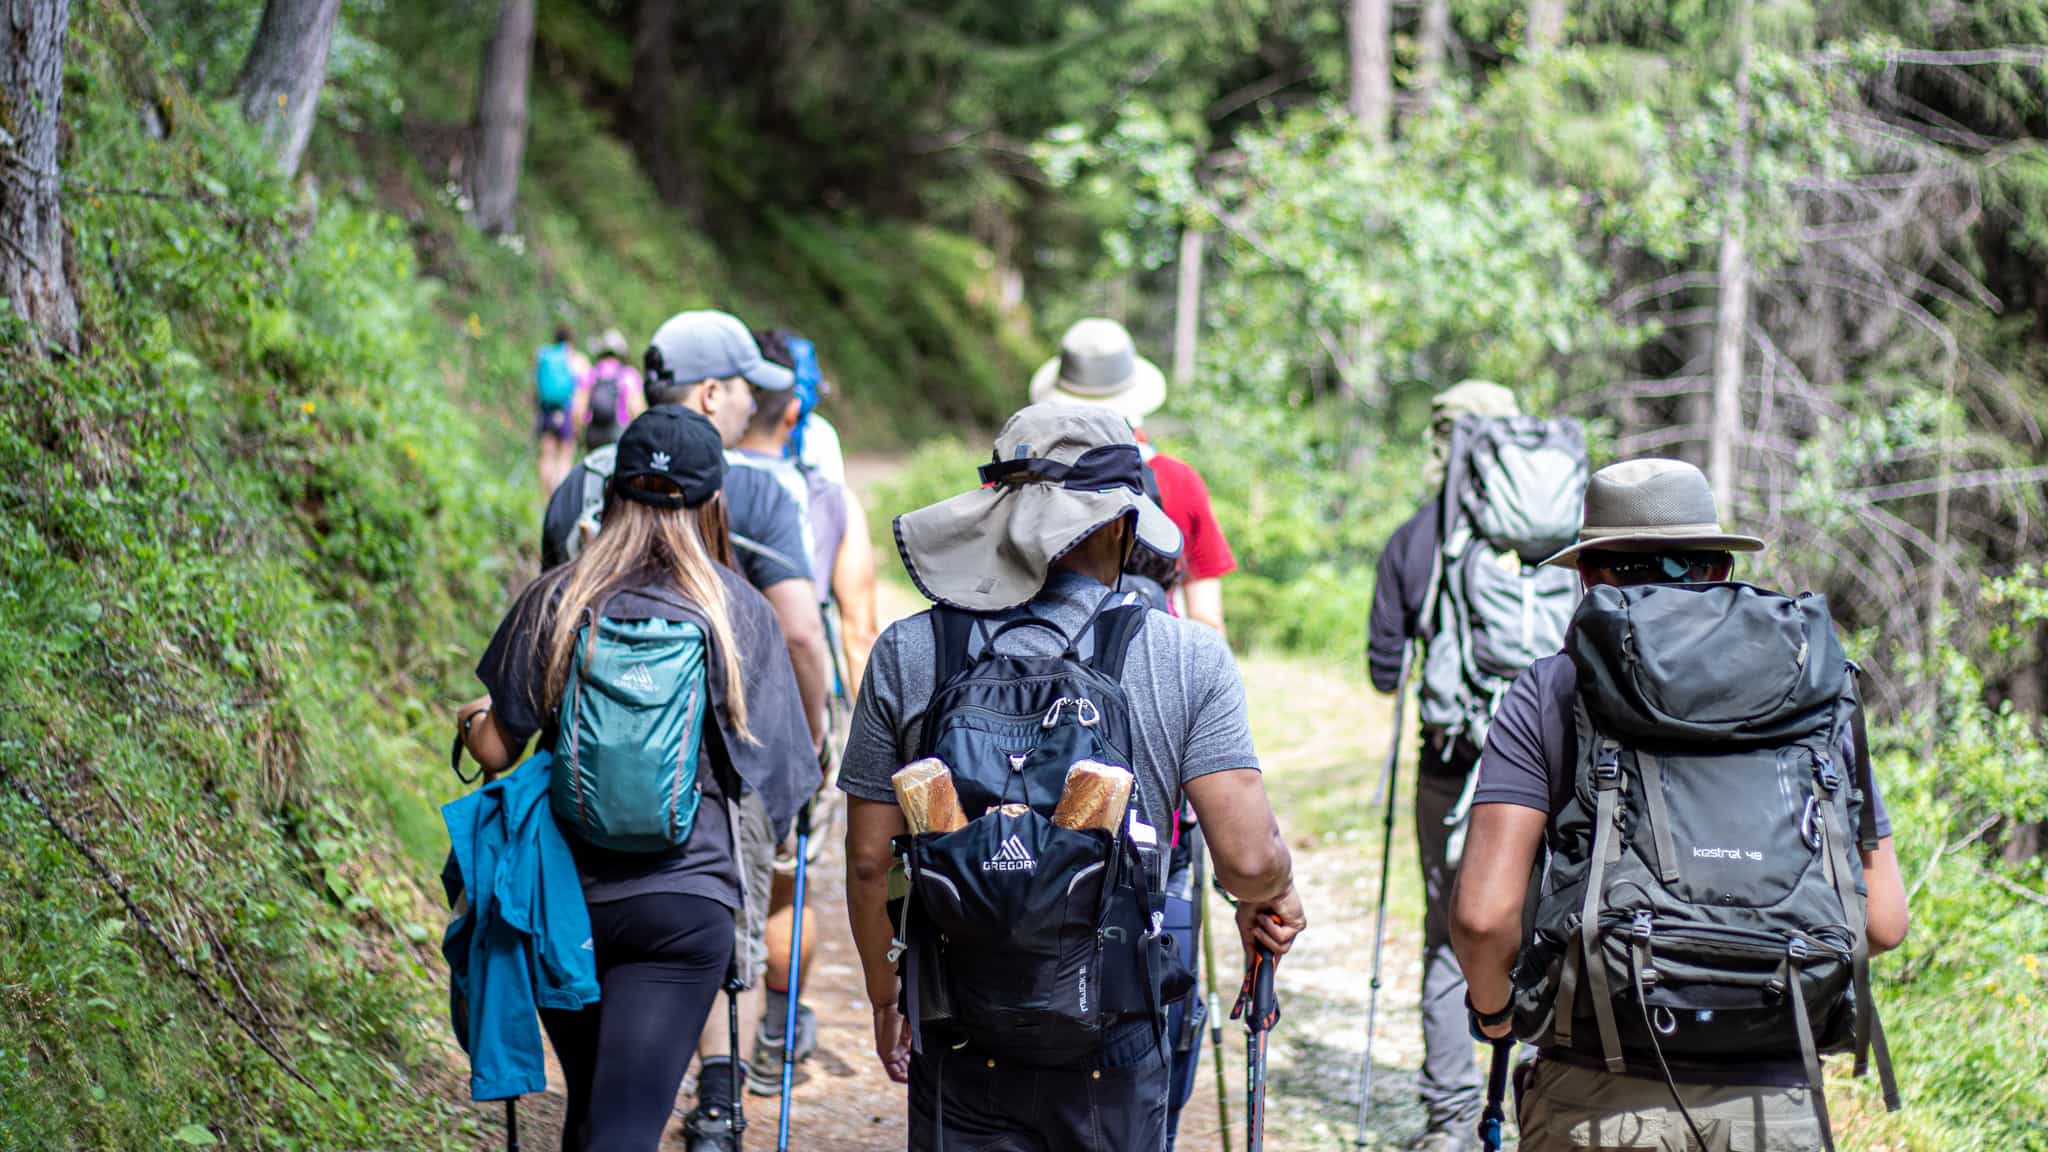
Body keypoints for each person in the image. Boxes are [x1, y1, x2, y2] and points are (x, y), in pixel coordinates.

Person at [840, 404, 1306, 1151]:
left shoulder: (908, 649)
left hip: (959, 1021)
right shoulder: (1185, 657)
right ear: (1123, 526)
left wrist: (885, 993)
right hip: (1111, 1040)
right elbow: (1247, 860)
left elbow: (869, 861)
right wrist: (1272, 893)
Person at [1451, 459, 1910, 1152]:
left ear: (1589, 576)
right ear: (1719, 568)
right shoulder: (1814, 687)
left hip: (1597, 1088)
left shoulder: (1550, 691)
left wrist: (1493, 1013)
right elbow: (1881, 922)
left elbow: (1484, 919)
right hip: (1774, 1098)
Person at [453, 407, 815, 1152]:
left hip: (561, 905)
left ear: (612, 491)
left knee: (590, 1107)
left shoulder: (559, 596)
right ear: (714, 502)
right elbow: (782, 785)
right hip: (683, 910)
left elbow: (496, 752)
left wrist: (470, 720)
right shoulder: (736, 611)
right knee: (620, 1126)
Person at [1365, 379, 1524, 1152]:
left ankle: (1453, 1120)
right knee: (1547, 925)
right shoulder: (1553, 538)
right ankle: (1538, 1096)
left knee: (1448, 935)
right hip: (1552, 772)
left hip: (1452, 767)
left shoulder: (1412, 538)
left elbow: (1384, 671)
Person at [728, 328, 883, 1097]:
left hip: (705, 705)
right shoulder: (827, 499)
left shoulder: (700, 481)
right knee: (789, 884)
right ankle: (777, 1033)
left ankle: (709, 1056)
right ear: (796, 412)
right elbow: (855, 625)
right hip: (793, 709)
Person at [1031, 317, 1235, 637]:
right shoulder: (1179, 480)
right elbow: (1207, 619)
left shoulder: (1022, 477)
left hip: (1035, 664)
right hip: (1150, 660)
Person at [535, 325, 590, 494]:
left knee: (547, 455)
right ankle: (558, 497)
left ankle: (546, 499)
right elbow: (582, 393)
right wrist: (579, 421)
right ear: (572, 340)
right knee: (564, 457)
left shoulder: (545, 356)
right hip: (566, 413)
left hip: (547, 411)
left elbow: (537, 388)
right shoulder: (577, 359)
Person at [574, 327, 647, 452]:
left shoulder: (591, 374)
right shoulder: (628, 374)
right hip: (619, 435)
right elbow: (637, 410)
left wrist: (580, 435)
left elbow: (578, 409)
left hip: (593, 436)